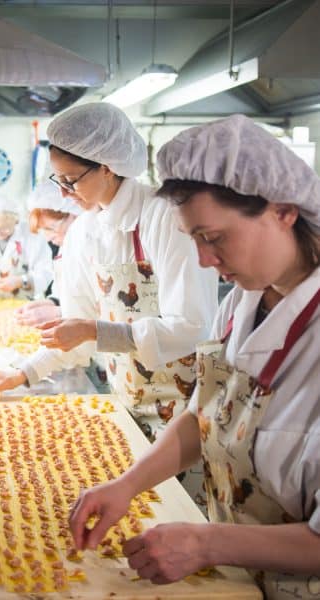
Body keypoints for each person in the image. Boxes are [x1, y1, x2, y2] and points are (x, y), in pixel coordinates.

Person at [68, 114, 320, 599]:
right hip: (241, 582)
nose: (205, 261)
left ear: (284, 211)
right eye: (194, 241)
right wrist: (128, 484)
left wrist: (208, 544)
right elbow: (207, 413)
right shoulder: (241, 304)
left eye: (215, 237)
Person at [0, 102, 217, 446]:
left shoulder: (164, 217)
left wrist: (95, 330)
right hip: (127, 405)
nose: (63, 194)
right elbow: (77, 335)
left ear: (107, 167)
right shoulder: (84, 232)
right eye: (58, 180)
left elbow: (192, 327)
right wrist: (21, 374)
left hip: (187, 414)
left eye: (72, 181)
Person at [14, 180, 81, 327]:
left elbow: (108, 307)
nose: (48, 237)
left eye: (51, 228)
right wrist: (51, 302)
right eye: (43, 231)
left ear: (75, 215)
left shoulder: (99, 245)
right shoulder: (65, 247)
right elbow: (65, 292)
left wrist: (59, 313)